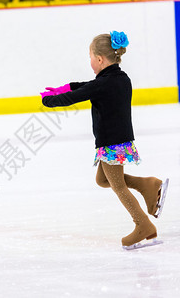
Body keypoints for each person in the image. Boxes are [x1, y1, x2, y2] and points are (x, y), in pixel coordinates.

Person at [41, 31, 169, 250]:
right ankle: (149, 185)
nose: (89, 61)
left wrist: (49, 101)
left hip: (111, 144)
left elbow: (76, 96)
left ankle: (143, 225)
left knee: (118, 186)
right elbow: (86, 86)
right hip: (120, 141)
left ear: (100, 59)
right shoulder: (120, 78)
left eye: (90, 57)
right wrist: (68, 85)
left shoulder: (102, 85)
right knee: (103, 180)